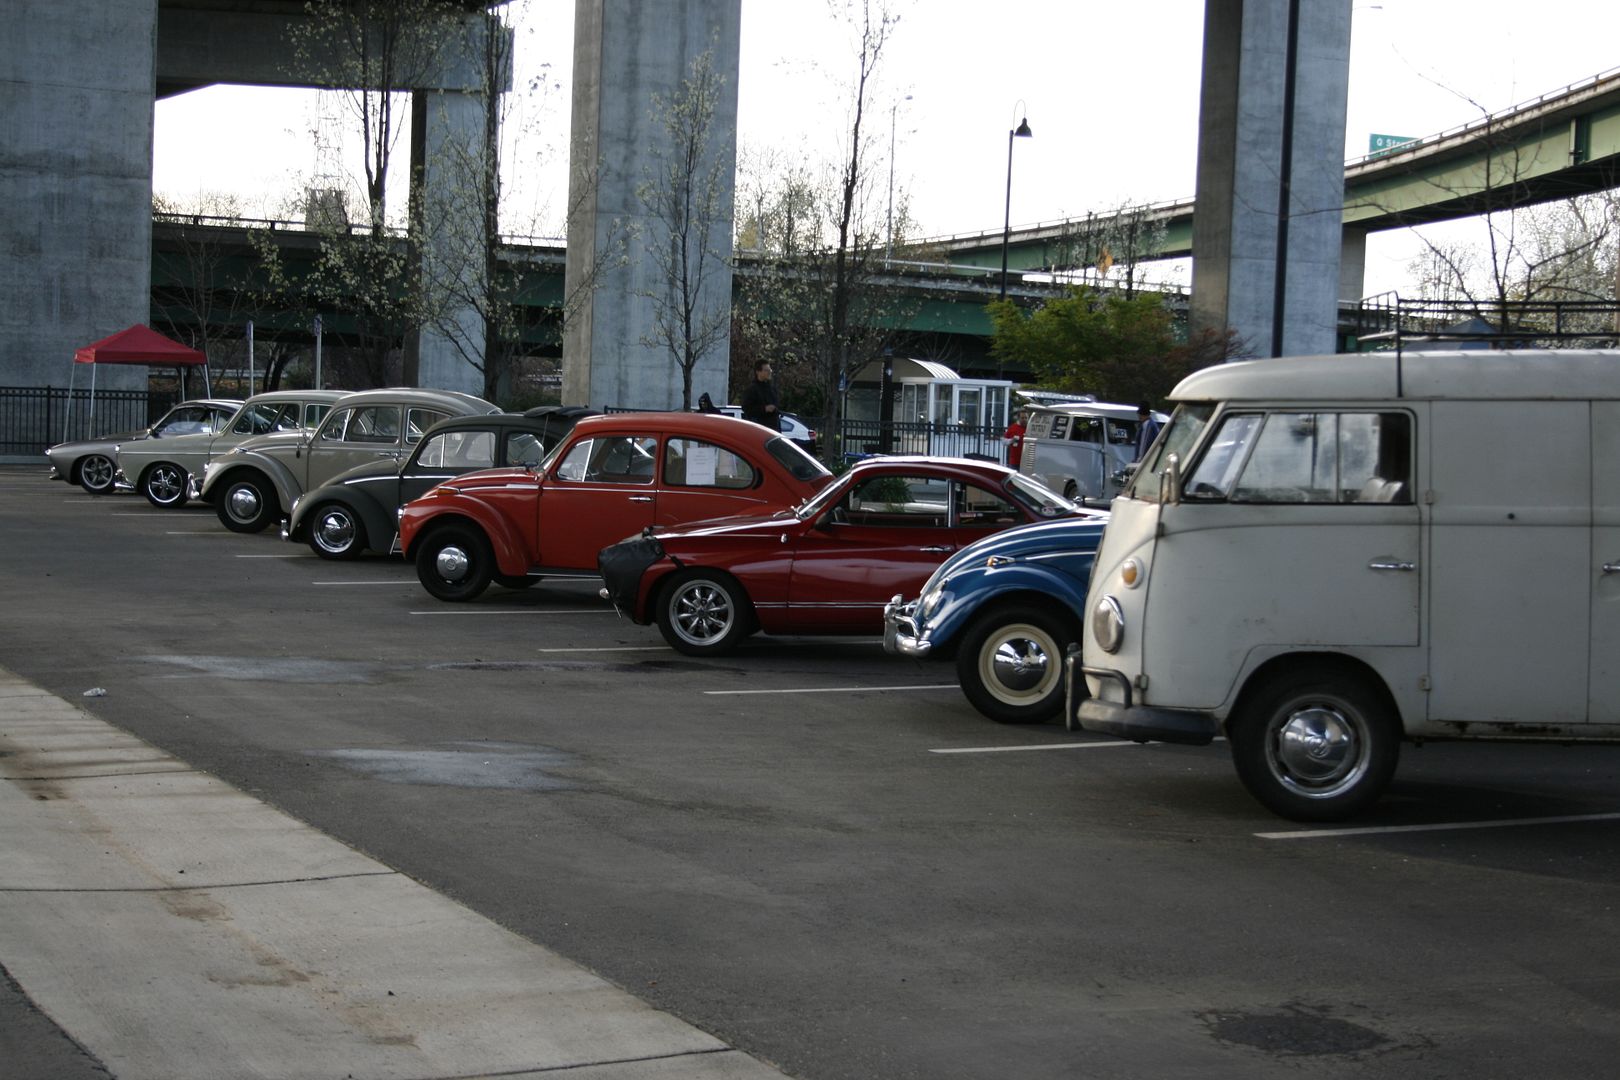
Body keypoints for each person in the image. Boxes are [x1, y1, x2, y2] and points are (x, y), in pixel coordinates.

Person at [740, 360, 781, 431]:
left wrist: (775, 409)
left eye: (770, 370)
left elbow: (777, 406)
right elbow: (746, 408)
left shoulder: (772, 388)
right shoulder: (752, 389)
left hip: (774, 430)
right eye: (766, 370)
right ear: (758, 372)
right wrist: (764, 409)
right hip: (759, 430)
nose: (769, 372)